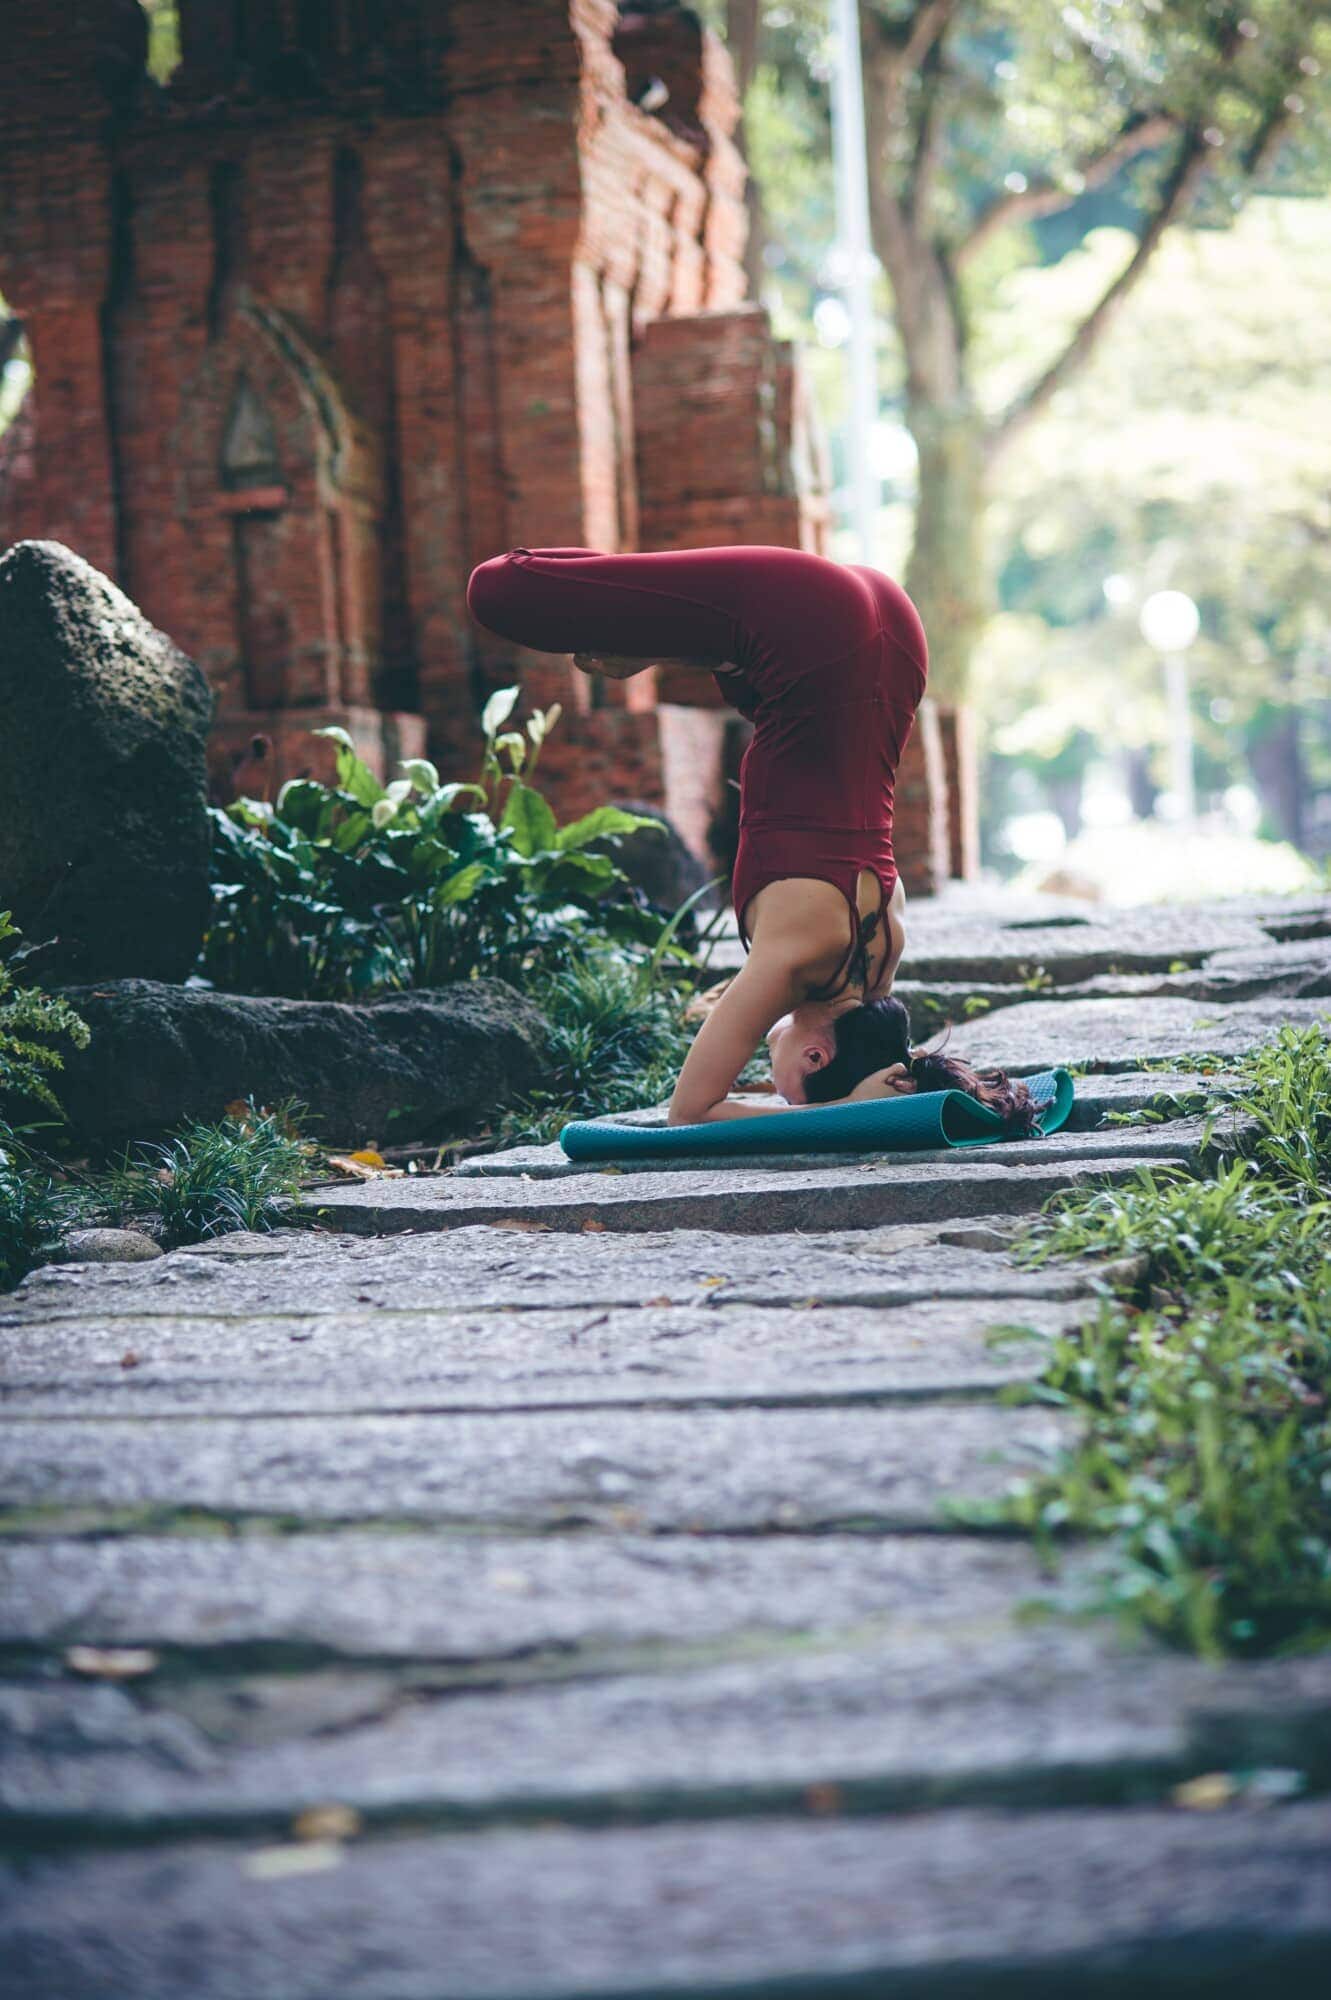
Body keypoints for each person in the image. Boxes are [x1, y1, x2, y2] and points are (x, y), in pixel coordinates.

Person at [466, 543, 1038, 1135]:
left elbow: (900, 1078)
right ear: (817, 1057)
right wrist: (831, 1113)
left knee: (660, 635)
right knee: (500, 588)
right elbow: (690, 1112)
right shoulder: (793, 965)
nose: (773, 1086)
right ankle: (648, 637)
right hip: (812, 625)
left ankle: (650, 639)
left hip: (890, 646)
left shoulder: (879, 969)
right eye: (790, 1090)